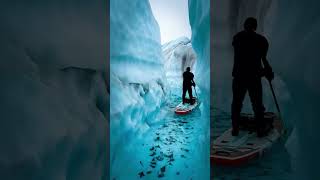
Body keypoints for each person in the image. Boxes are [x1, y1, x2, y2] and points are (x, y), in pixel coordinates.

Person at [231, 17, 274, 137]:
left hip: (239, 76)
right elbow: (263, 59)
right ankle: (260, 129)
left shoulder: (237, 38)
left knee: (237, 103)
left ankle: (235, 129)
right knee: (257, 104)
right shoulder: (261, 40)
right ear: (255, 26)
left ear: (245, 26)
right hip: (254, 77)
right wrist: (268, 72)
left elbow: (241, 52)